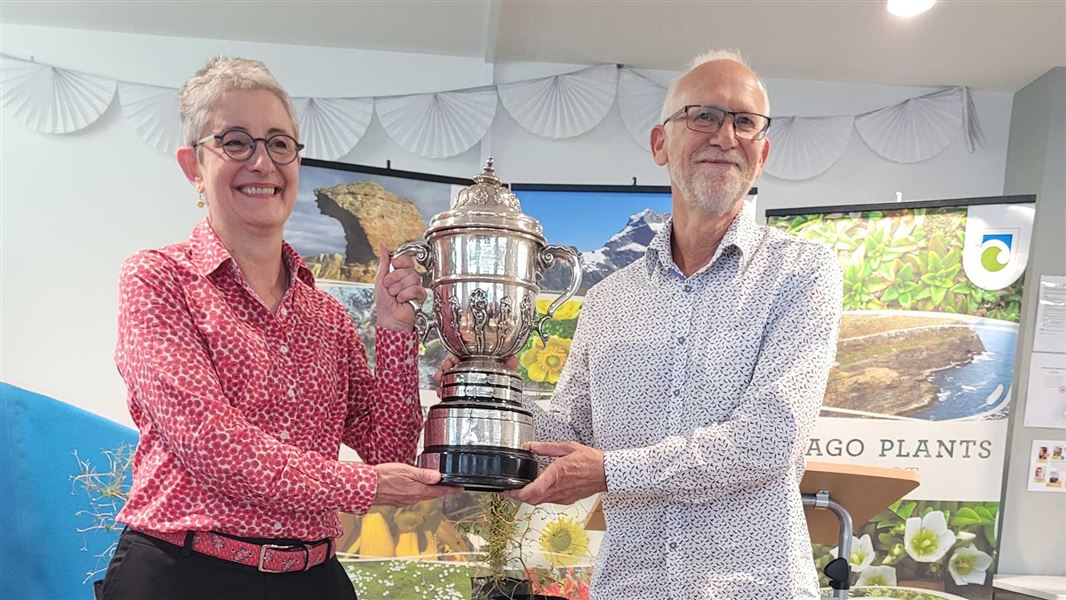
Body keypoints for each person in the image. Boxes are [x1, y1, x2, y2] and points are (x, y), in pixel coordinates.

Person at [96, 57, 458, 600]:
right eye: (236, 142)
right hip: (185, 576)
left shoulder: (328, 317)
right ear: (193, 165)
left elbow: (389, 447)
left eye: (279, 143)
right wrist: (365, 485)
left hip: (312, 579)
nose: (262, 162)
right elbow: (215, 447)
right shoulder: (159, 281)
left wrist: (394, 331)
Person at [503, 50, 843, 599]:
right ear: (660, 144)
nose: (725, 136)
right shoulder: (609, 299)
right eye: (703, 116)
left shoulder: (802, 273)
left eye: (745, 121)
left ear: (763, 151)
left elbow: (769, 439)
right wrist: (494, 382)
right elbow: (572, 432)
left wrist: (614, 473)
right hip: (630, 587)